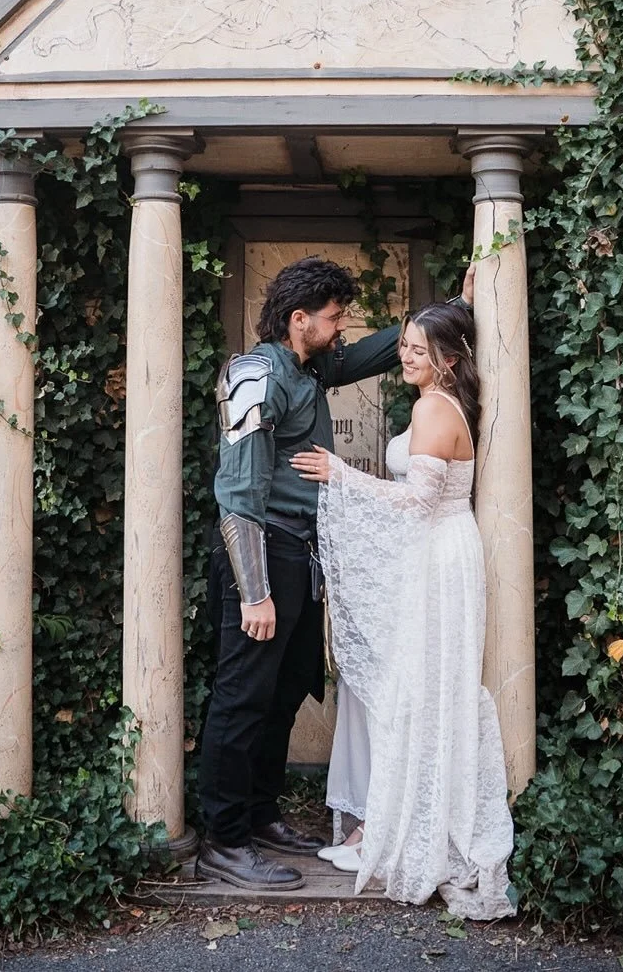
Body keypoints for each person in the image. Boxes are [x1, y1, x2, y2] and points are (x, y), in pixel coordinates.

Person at [196, 258, 474, 891]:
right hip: (259, 554)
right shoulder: (254, 376)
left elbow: (372, 356)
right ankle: (224, 841)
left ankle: (261, 814)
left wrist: (456, 307)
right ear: (300, 320)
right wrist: (255, 591)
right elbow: (238, 494)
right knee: (240, 699)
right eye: (333, 317)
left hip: (301, 554)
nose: (342, 327)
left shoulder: (308, 366)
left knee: (286, 686)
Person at [290, 303, 516, 919]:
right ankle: (384, 824)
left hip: (438, 556)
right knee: (417, 689)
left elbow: (417, 502)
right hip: (440, 552)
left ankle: (411, 832)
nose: (406, 356)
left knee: (418, 690)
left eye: (418, 349)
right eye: (405, 346)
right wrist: (469, 287)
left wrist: (339, 472)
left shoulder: (431, 409)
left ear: (447, 358)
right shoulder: (444, 404)